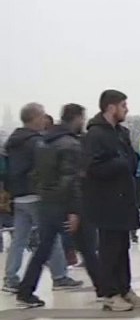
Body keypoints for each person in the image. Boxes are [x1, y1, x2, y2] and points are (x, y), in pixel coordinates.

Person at [14, 104, 99, 308]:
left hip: (46, 202)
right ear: (77, 118)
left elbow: (36, 175)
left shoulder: (43, 142)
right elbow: (71, 180)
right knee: (87, 247)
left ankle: (25, 291)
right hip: (64, 203)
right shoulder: (70, 143)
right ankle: (106, 290)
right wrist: (74, 210)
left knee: (43, 248)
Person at [4, 103, 81, 295]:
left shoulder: (11, 142)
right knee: (50, 236)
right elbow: (44, 168)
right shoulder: (36, 142)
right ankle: (59, 276)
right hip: (36, 195)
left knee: (18, 240)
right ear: (35, 118)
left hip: (17, 196)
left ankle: (10, 278)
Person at [84, 90, 140, 312]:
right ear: (111, 107)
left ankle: (125, 288)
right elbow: (92, 168)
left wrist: (127, 162)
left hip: (124, 199)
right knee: (109, 248)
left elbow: (131, 160)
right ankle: (110, 293)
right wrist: (120, 163)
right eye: (123, 105)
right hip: (106, 201)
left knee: (123, 247)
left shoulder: (121, 133)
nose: (126, 109)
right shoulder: (95, 135)